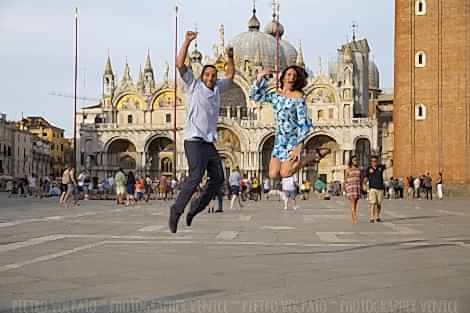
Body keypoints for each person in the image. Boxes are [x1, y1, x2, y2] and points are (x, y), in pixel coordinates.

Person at [168, 30, 235, 233]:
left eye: (213, 75)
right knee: (196, 175)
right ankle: (176, 211)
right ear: (201, 75)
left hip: (208, 143)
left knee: (218, 179)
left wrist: (231, 58)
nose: (210, 77)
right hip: (193, 140)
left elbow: (231, 76)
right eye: (207, 74)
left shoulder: (217, 88)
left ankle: (194, 209)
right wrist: (187, 41)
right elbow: (180, 64)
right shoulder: (193, 85)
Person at [250, 66, 330, 178]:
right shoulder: (276, 96)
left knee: (285, 173)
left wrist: (299, 147)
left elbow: (304, 123)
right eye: (288, 74)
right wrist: (261, 78)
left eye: (294, 75)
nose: (291, 77)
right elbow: (255, 96)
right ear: (282, 78)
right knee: (273, 174)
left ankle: (311, 156)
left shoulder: (298, 97)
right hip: (280, 141)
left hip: (293, 141)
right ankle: (311, 155)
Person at [364, 156, 386, 223]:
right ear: (371, 162)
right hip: (372, 188)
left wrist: (390, 158)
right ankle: (372, 217)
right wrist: (364, 184)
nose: (374, 162)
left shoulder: (380, 167)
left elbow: (389, 164)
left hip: (380, 188)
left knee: (379, 203)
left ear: (377, 161)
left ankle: (377, 216)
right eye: (372, 161)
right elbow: (366, 177)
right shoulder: (369, 169)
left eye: (375, 161)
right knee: (373, 203)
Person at [345, 156, 362, 224]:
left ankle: (353, 218)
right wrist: (346, 188)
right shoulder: (348, 169)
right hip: (351, 187)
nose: (356, 161)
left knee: (355, 204)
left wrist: (361, 187)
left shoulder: (359, 169)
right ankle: (354, 218)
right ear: (351, 161)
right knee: (352, 203)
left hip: (357, 187)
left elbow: (361, 178)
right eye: (354, 160)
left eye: (356, 160)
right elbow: (346, 179)